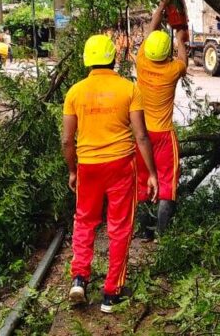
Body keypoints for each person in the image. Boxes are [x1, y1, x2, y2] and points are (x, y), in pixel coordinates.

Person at [62, 34, 159, 313]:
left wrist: (73, 170)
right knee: (119, 227)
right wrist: (151, 173)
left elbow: (68, 140)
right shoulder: (129, 89)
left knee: (84, 222)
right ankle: (111, 294)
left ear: (87, 60)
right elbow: (141, 136)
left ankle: (79, 279)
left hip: (88, 167)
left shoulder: (75, 92)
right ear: (114, 58)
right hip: (120, 166)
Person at [134, 0, 189, 239]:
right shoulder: (173, 71)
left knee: (144, 180)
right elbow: (183, 58)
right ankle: (164, 239)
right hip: (164, 137)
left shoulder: (141, 61)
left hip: (142, 134)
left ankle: (146, 232)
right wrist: (179, 37)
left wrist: (161, 6)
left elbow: (151, 28)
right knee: (167, 185)